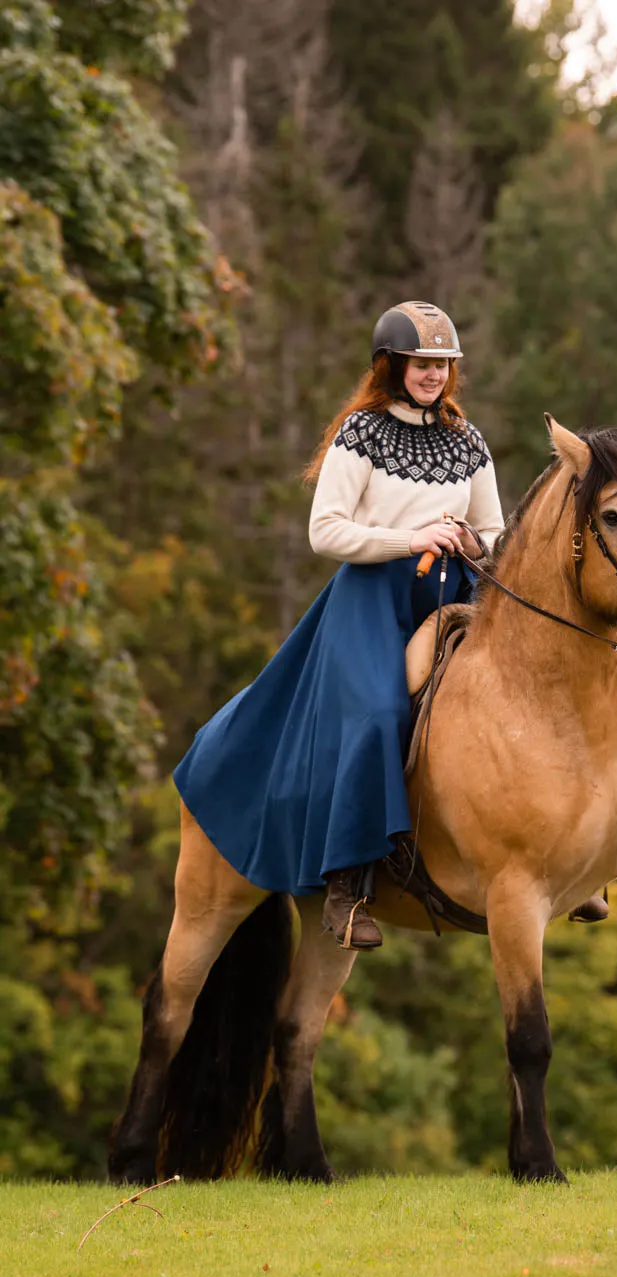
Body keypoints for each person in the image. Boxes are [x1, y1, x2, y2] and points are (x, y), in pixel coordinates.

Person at [173, 301, 504, 950]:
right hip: (371, 600)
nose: (433, 374)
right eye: (421, 363)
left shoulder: (468, 442)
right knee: (379, 716)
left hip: (453, 595)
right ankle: (348, 889)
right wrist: (411, 538)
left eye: (442, 364)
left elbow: (493, 530)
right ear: (392, 365)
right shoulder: (362, 434)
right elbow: (325, 531)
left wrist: (470, 539)